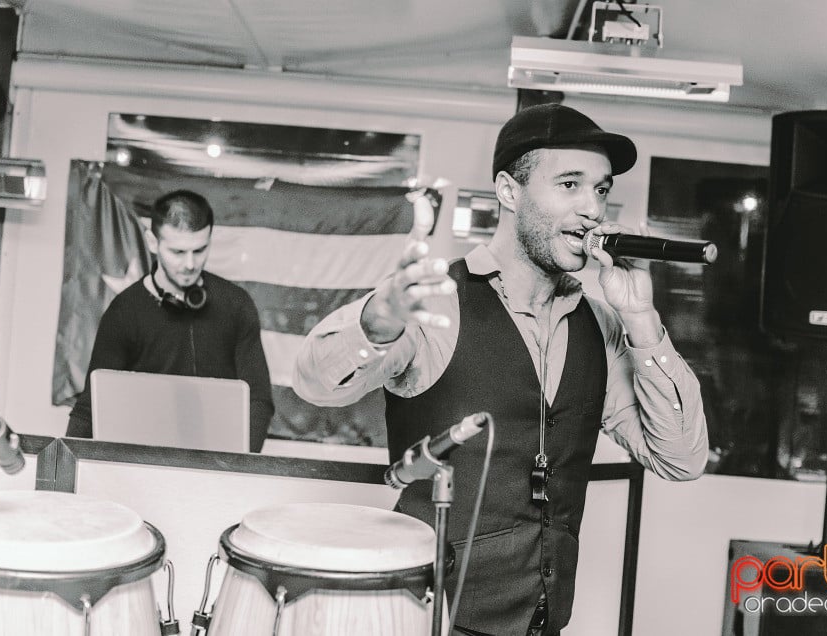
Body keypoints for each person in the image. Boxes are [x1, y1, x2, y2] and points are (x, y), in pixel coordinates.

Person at [293, 103, 708, 635]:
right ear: (510, 192)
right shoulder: (440, 301)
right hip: (428, 618)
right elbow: (316, 385)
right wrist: (375, 324)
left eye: (600, 189)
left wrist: (641, 317)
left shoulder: (602, 325)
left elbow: (681, 458)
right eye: (570, 184)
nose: (592, 209)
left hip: (542, 622)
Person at [67, 190, 274, 452]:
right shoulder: (124, 312)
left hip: (218, 464)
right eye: (178, 252)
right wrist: (67, 462)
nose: (190, 264)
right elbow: (91, 406)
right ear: (153, 242)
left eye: (200, 250)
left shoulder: (236, 305)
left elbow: (258, 400)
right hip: (142, 461)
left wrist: (235, 465)